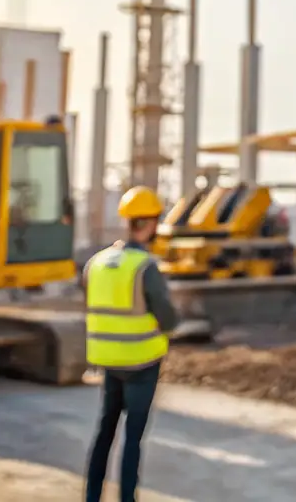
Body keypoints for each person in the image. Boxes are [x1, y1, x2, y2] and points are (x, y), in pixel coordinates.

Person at [83, 185, 180, 502]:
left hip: (108, 361)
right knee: (132, 438)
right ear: (151, 224)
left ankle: (92, 497)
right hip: (141, 363)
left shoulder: (95, 263)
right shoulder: (145, 267)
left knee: (104, 433)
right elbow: (167, 318)